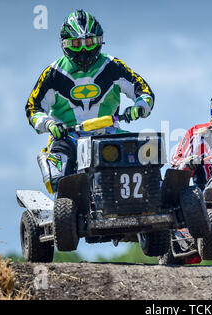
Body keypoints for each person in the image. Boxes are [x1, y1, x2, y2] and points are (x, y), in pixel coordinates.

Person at [25, 10, 155, 194]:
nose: (84, 50)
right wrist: (49, 123)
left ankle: (153, 195)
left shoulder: (112, 66)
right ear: (65, 44)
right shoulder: (53, 73)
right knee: (58, 175)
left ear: (99, 41)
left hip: (109, 132)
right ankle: (68, 205)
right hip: (68, 136)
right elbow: (33, 108)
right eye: (77, 44)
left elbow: (144, 91)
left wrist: (140, 107)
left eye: (89, 42)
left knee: (144, 150)